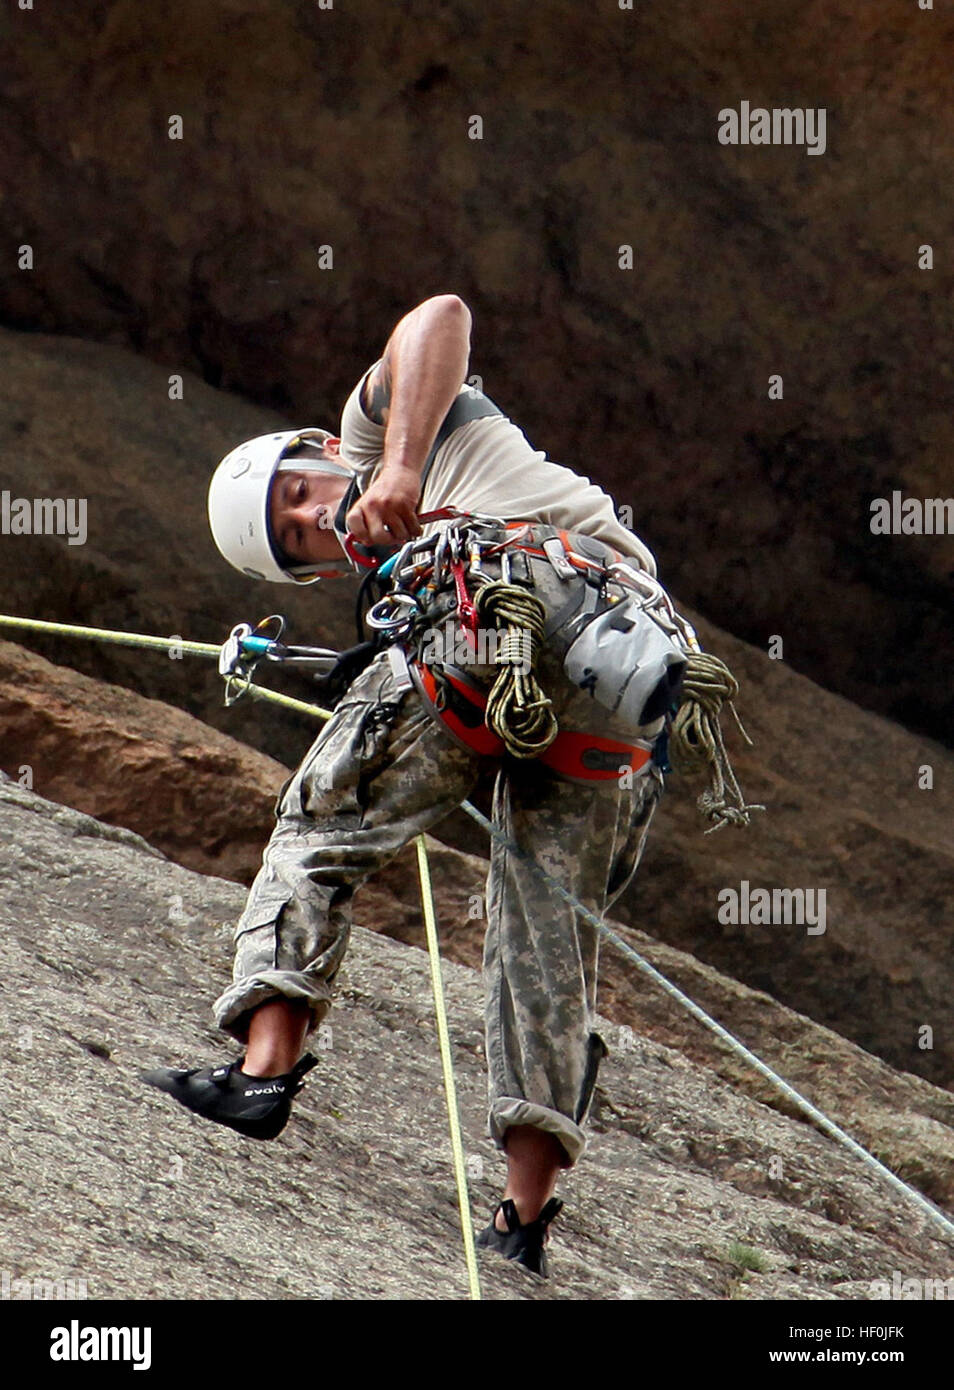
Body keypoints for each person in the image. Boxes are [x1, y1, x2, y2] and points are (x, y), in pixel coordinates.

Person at [142, 294, 680, 1280]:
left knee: (325, 818)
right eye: (298, 538)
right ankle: (520, 1220)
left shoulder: (392, 433)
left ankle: (264, 1073)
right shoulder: (388, 588)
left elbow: (439, 313)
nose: (313, 515)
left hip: (529, 588)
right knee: (541, 934)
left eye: (299, 489)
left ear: (317, 444)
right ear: (311, 574)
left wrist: (395, 462)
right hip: (594, 689)